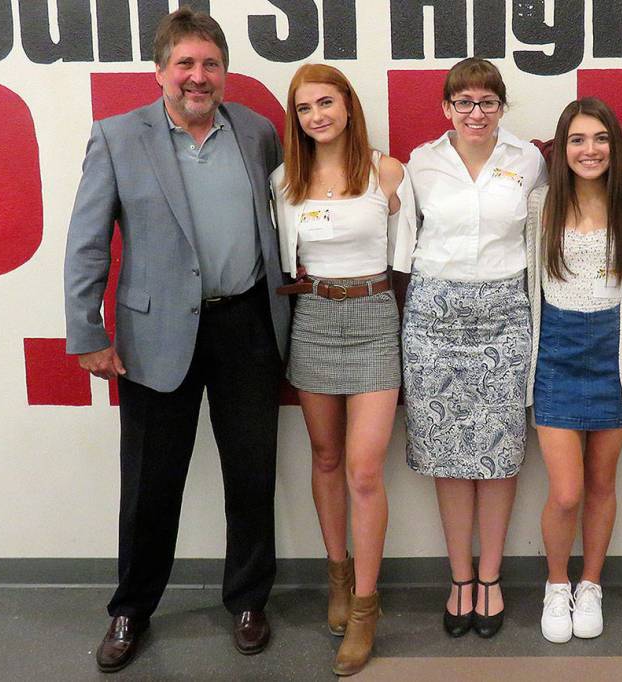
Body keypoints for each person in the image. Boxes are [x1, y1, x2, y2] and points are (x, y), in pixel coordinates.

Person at [63, 8, 289, 673]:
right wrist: (88, 332)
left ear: (225, 72)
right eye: (185, 64)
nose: (198, 76)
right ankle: (131, 609)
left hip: (246, 324)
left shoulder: (257, 133)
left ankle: (249, 599)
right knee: (150, 482)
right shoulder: (116, 137)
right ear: (161, 70)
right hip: (153, 332)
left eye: (210, 64)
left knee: (251, 474)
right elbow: (86, 243)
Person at [271, 63, 415, 676]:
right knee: (326, 458)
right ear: (296, 120)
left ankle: (364, 606)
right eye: (305, 109)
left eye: (326, 103)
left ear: (348, 106)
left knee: (362, 471)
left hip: (375, 316)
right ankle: (337, 574)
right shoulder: (285, 181)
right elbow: (284, 261)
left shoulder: (387, 171)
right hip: (313, 320)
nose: (317, 117)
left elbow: (407, 260)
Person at [404, 57, 547, 639]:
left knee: (499, 454)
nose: (476, 113)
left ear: (502, 107)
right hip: (434, 316)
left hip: (505, 313)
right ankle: (459, 577)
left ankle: (490, 578)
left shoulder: (528, 160)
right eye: (463, 102)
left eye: (487, 102)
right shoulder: (420, 163)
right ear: (446, 109)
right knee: (448, 454)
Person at [525, 98, 622, 644]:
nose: (590, 149)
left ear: (615, 147)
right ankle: (557, 584)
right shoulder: (541, 205)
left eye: (600, 139)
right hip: (555, 351)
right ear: (563, 148)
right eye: (577, 139)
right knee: (567, 492)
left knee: (602, 483)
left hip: (612, 352)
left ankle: (590, 583)